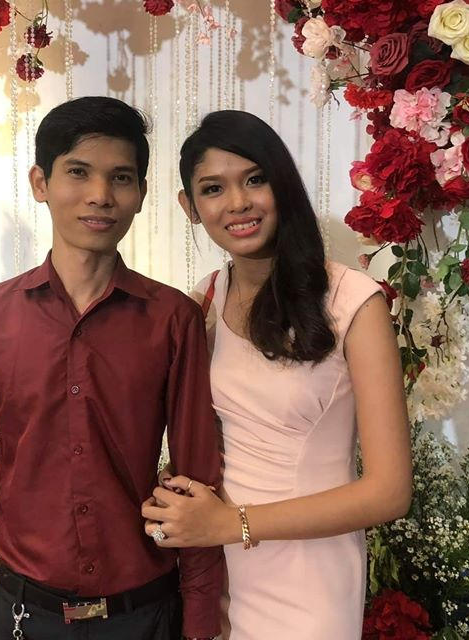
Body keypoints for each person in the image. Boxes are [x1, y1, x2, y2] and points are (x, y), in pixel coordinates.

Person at [0, 97, 223, 640]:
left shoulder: (173, 320)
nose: (100, 195)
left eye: (120, 177)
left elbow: (196, 479)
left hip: (145, 615)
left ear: (141, 193)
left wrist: (199, 624)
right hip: (21, 613)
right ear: (41, 182)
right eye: (78, 172)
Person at [142, 110, 413, 639]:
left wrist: (232, 523)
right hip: (219, 567)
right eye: (213, 188)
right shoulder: (203, 301)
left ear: (283, 185)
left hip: (308, 579)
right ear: (189, 207)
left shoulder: (353, 301)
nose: (237, 202)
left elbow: (389, 491)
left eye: (255, 179)